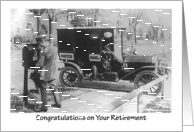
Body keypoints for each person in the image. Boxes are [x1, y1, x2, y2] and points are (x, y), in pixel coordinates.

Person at [30, 35, 61, 112]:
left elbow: (40, 64)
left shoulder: (43, 51)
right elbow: (54, 59)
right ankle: (58, 103)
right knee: (54, 88)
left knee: (43, 89)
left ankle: (44, 107)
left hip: (44, 74)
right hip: (52, 72)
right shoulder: (54, 48)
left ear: (41, 42)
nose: (39, 45)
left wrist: (34, 71)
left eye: (38, 43)